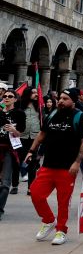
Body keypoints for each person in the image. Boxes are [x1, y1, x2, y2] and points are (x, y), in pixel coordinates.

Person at [24, 87, 83, 246]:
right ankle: (48, 220)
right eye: (60, 98)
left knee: (63, 202)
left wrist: (77, 162)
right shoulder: (52, 114)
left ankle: (61, 230)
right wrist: (31, 151)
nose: (61, 101)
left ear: (73, 101)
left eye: (65, 99)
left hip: (67, 168)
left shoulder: (79, 116)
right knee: (36, 193)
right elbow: (42, 134)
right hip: (48, 165)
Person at [0, 89, 25, 217]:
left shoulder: (19, 113)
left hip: (10, 150)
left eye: (10, 96)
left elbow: (21, 133)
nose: (7, 98)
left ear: (15, 99)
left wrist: (14, 130)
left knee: (5, 183)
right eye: (5, 96)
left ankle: (0, 209)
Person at [17, 86, 42, 195]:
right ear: (28, 94)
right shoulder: (20, 105)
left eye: (37, 93)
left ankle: (30, 187)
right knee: (20, 160)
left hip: (35, 137)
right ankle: (14, 184)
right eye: (33, 93)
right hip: (21, 137)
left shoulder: (40, 106)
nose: (36, 94)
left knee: (32, 162)